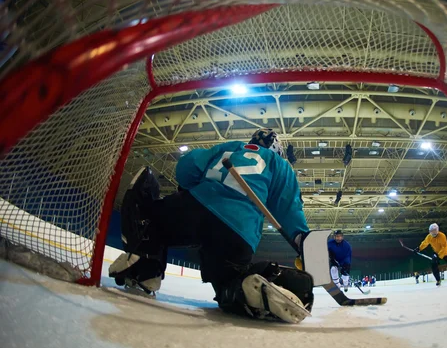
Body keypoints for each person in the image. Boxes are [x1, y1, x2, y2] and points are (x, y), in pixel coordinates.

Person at [108, 128, 314, 323]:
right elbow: (289, 207)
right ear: (277, 149)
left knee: (151, 220)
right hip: (238, 231)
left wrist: (191, 185)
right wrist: (300, 236)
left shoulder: (231, 147)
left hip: (195, 206)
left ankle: (145, 270)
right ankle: (242, 288)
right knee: (227, 282)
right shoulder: (280, 164)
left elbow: (185, 168)